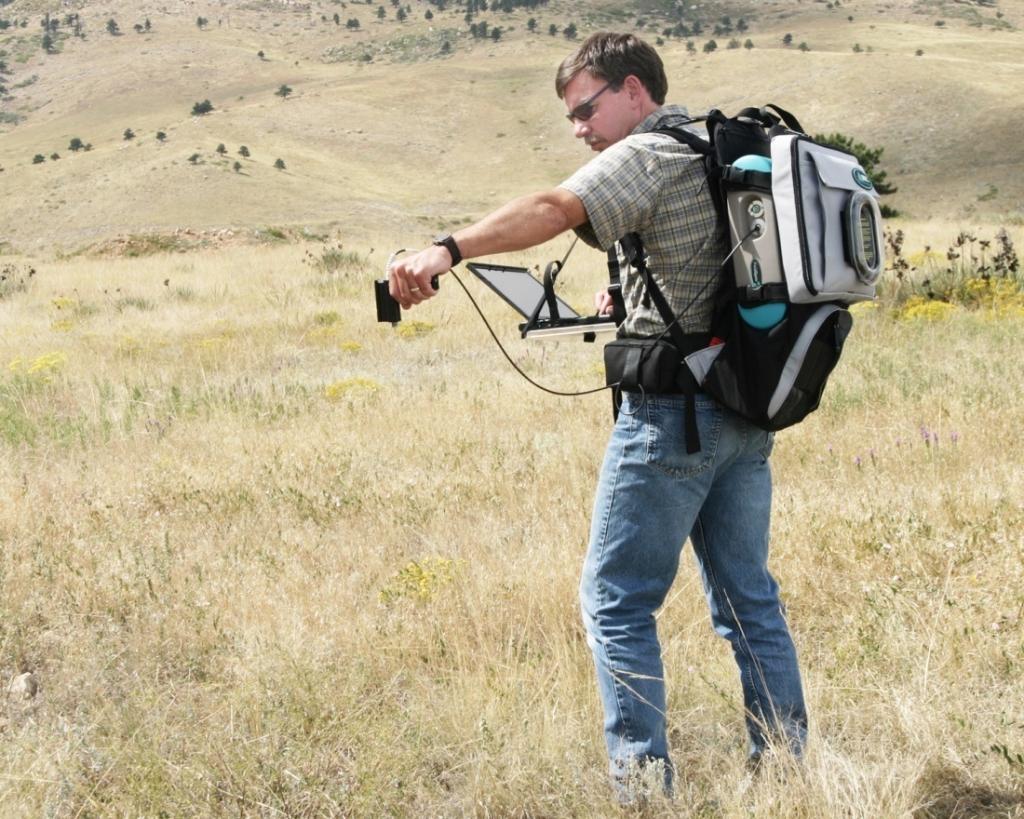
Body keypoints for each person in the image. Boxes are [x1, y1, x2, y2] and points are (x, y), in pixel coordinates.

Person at [388, 32, 807, 801]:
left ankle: (643, 791)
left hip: (673, 418)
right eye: (571, 117)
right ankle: (786, 767)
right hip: (744, 410)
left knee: (616, 602)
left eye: (586, 109)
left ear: (634, 90)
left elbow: (555, 207)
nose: (579, 128)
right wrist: (635, 294)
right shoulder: (709, 149)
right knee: (748, 600)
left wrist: (447, 249)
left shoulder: (647, 154)